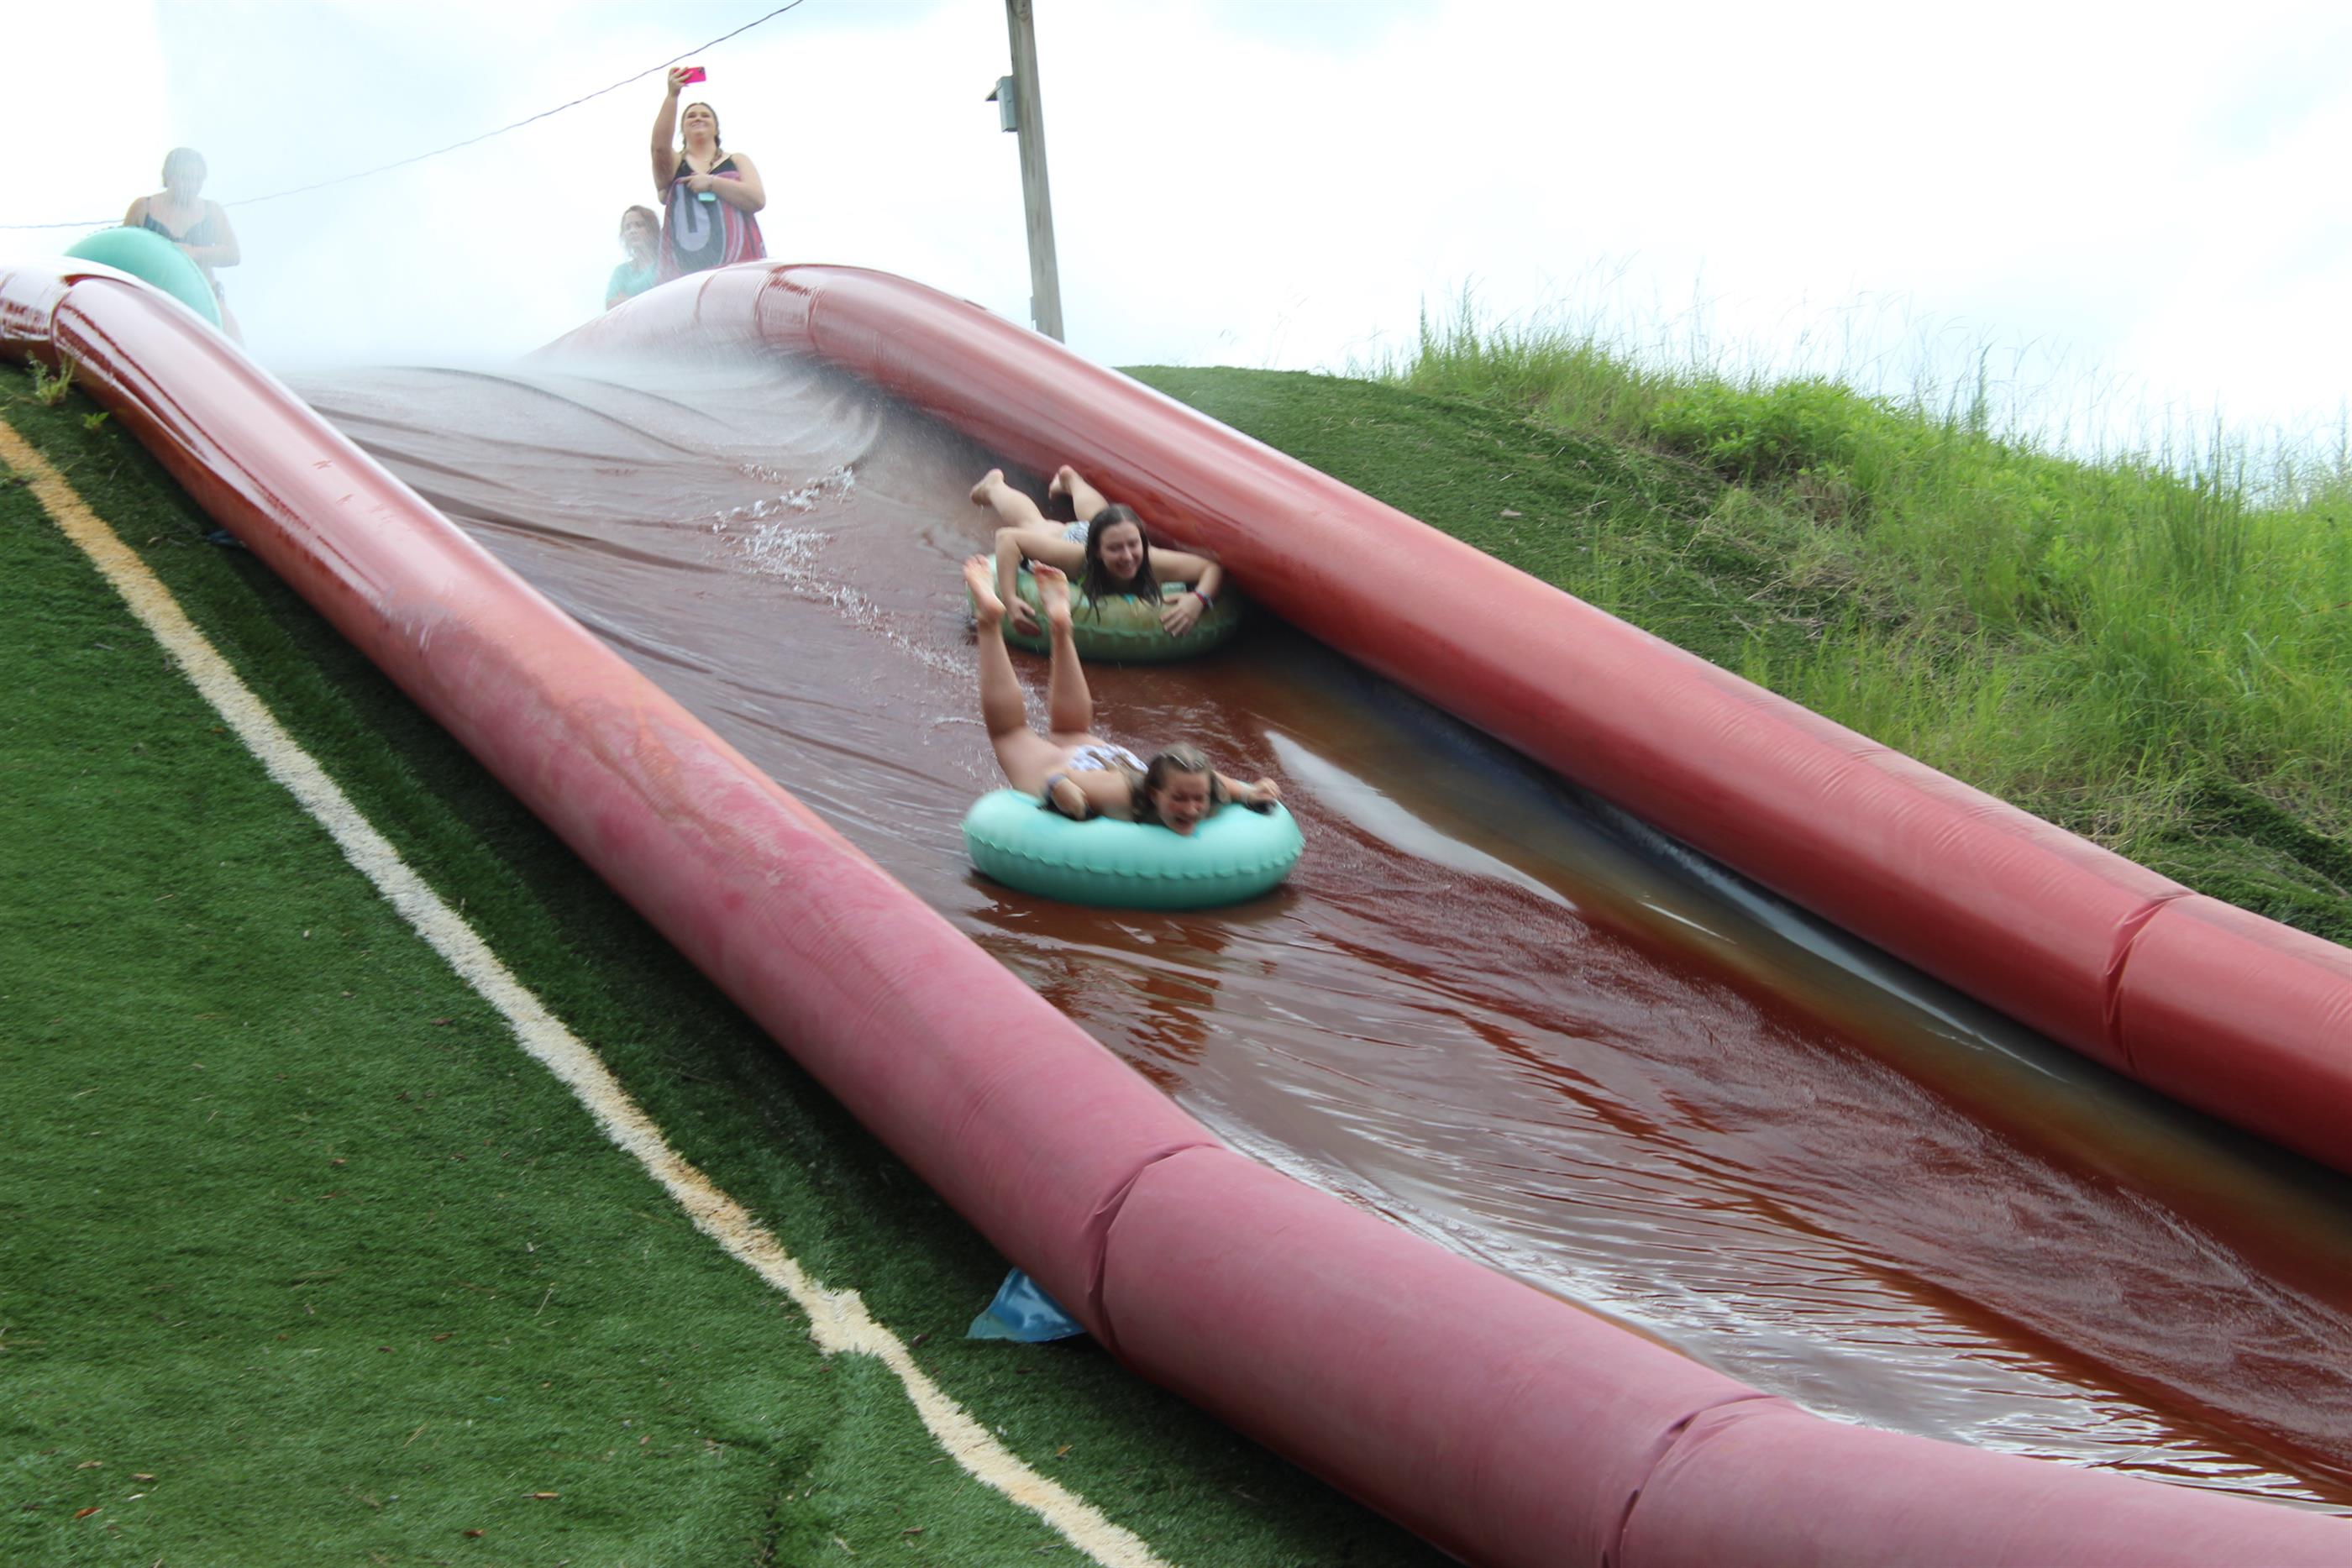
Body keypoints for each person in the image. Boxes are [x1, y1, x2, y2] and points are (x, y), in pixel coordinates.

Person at [963, 556, 1278, 834]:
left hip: (1115, 761)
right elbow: (1058, 777)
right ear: (1154, 795)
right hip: (1084, 769)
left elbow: (1220, 783)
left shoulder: (1204, 792)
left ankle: (1061, 625)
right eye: (1180, 800)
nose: (1192, 809)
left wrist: (1252, 792)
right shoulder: (1120, 797)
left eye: (1198, 799)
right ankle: (990, 620)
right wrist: (1059, 790)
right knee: (1009, 733)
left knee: (1070, 731)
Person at [973, 464, 1226, 639]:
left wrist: (1199, 599)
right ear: (1097, 552)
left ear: (1142, 542)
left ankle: (1072, 480)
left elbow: (1210, 568)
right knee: (1034, 525)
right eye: (1116, 550)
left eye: (1134, 545)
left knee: (1101, 517)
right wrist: (1009, 598)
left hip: (1107, 533)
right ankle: (994, 486)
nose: (1128, 557)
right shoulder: (1078, 558)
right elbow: (1007, 539)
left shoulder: (1152, 561)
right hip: (1076, 539)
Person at [648, 67, 766, 280]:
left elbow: (757, 199)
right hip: (687, 269)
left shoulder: (737, 160)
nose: (698, 118)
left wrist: (713, 183)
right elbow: (659, 149)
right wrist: (672, 96)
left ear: (716, 128)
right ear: (682, 129)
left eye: (705, 115)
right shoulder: (676, 163)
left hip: (738, 268)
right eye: (691, 116)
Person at [123, 147, 242, 341]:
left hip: (205, 297)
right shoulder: (143, 208)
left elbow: (233, 254)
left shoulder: (211, 211)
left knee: (234, 342)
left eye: (197, 180)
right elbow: (122, 253)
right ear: (169, 176)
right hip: (154, 298)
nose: (191, 186)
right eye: (185, 178)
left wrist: (194, 252)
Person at [606, 205, 660, 308]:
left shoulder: (664, 263)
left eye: (639, 225)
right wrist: (647, 299)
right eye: (627, 228)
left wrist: (626, 300)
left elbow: (663, 298)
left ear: (652, 230)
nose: (632, 231)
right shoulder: (621, 271)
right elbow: (611, 305)